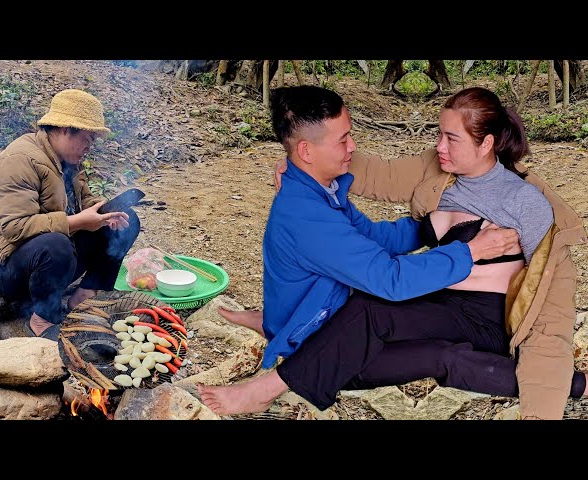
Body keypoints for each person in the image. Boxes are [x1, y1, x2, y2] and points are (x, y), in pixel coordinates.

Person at [200, 86, 588, 420]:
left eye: (451, 138)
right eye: (438, 134)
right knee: (379, 324)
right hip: (441, 299)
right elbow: (379, 175)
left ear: (486, 143)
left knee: (370, 310)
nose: (438, 147)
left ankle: (270, 384)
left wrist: (543, 401)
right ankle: (286, 327)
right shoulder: (438, 170)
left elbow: (552, 302)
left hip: (484, 318)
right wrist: (298, 163)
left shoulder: (526, 203)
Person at [0, 89, 141, 341]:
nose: (90, 147)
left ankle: (85, 295)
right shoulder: (18, 160)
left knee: (124, 221)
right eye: (88, 138)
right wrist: (78, 222)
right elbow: (14, 228)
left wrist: (103, 210)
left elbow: (84, 201)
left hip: (58, 264)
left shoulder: (68, 160)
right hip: (14, 270)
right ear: (66, 128)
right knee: (56, 243)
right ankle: (43, 319)